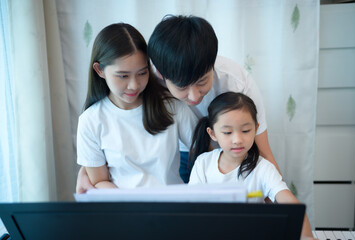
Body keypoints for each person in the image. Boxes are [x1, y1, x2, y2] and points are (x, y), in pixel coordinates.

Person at [147, 15, 279, 183]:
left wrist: (283, 202)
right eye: (182, 87)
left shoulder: (236, 82)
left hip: (231, 155)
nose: (194, 96)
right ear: (160, 74)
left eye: (202, 82)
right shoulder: (147, 80)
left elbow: (264, 152)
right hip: (182, 154)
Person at [76, 23, 197, 190]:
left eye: (142, 73)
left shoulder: (172, 107)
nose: (134, 85)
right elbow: (99, 182)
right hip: (124, 209)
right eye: (123, 76)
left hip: (171, 205)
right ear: (99, 70)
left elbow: (205, 152)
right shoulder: (90, 121)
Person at [188, 92, 314, 239]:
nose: (237, 139)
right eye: (227, 132)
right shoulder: (203, 163)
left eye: (246, 131)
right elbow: (192, 208)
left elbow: (292, 206)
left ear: (256, 128)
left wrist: (307, 237)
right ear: (213, 133)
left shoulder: (264, 169)